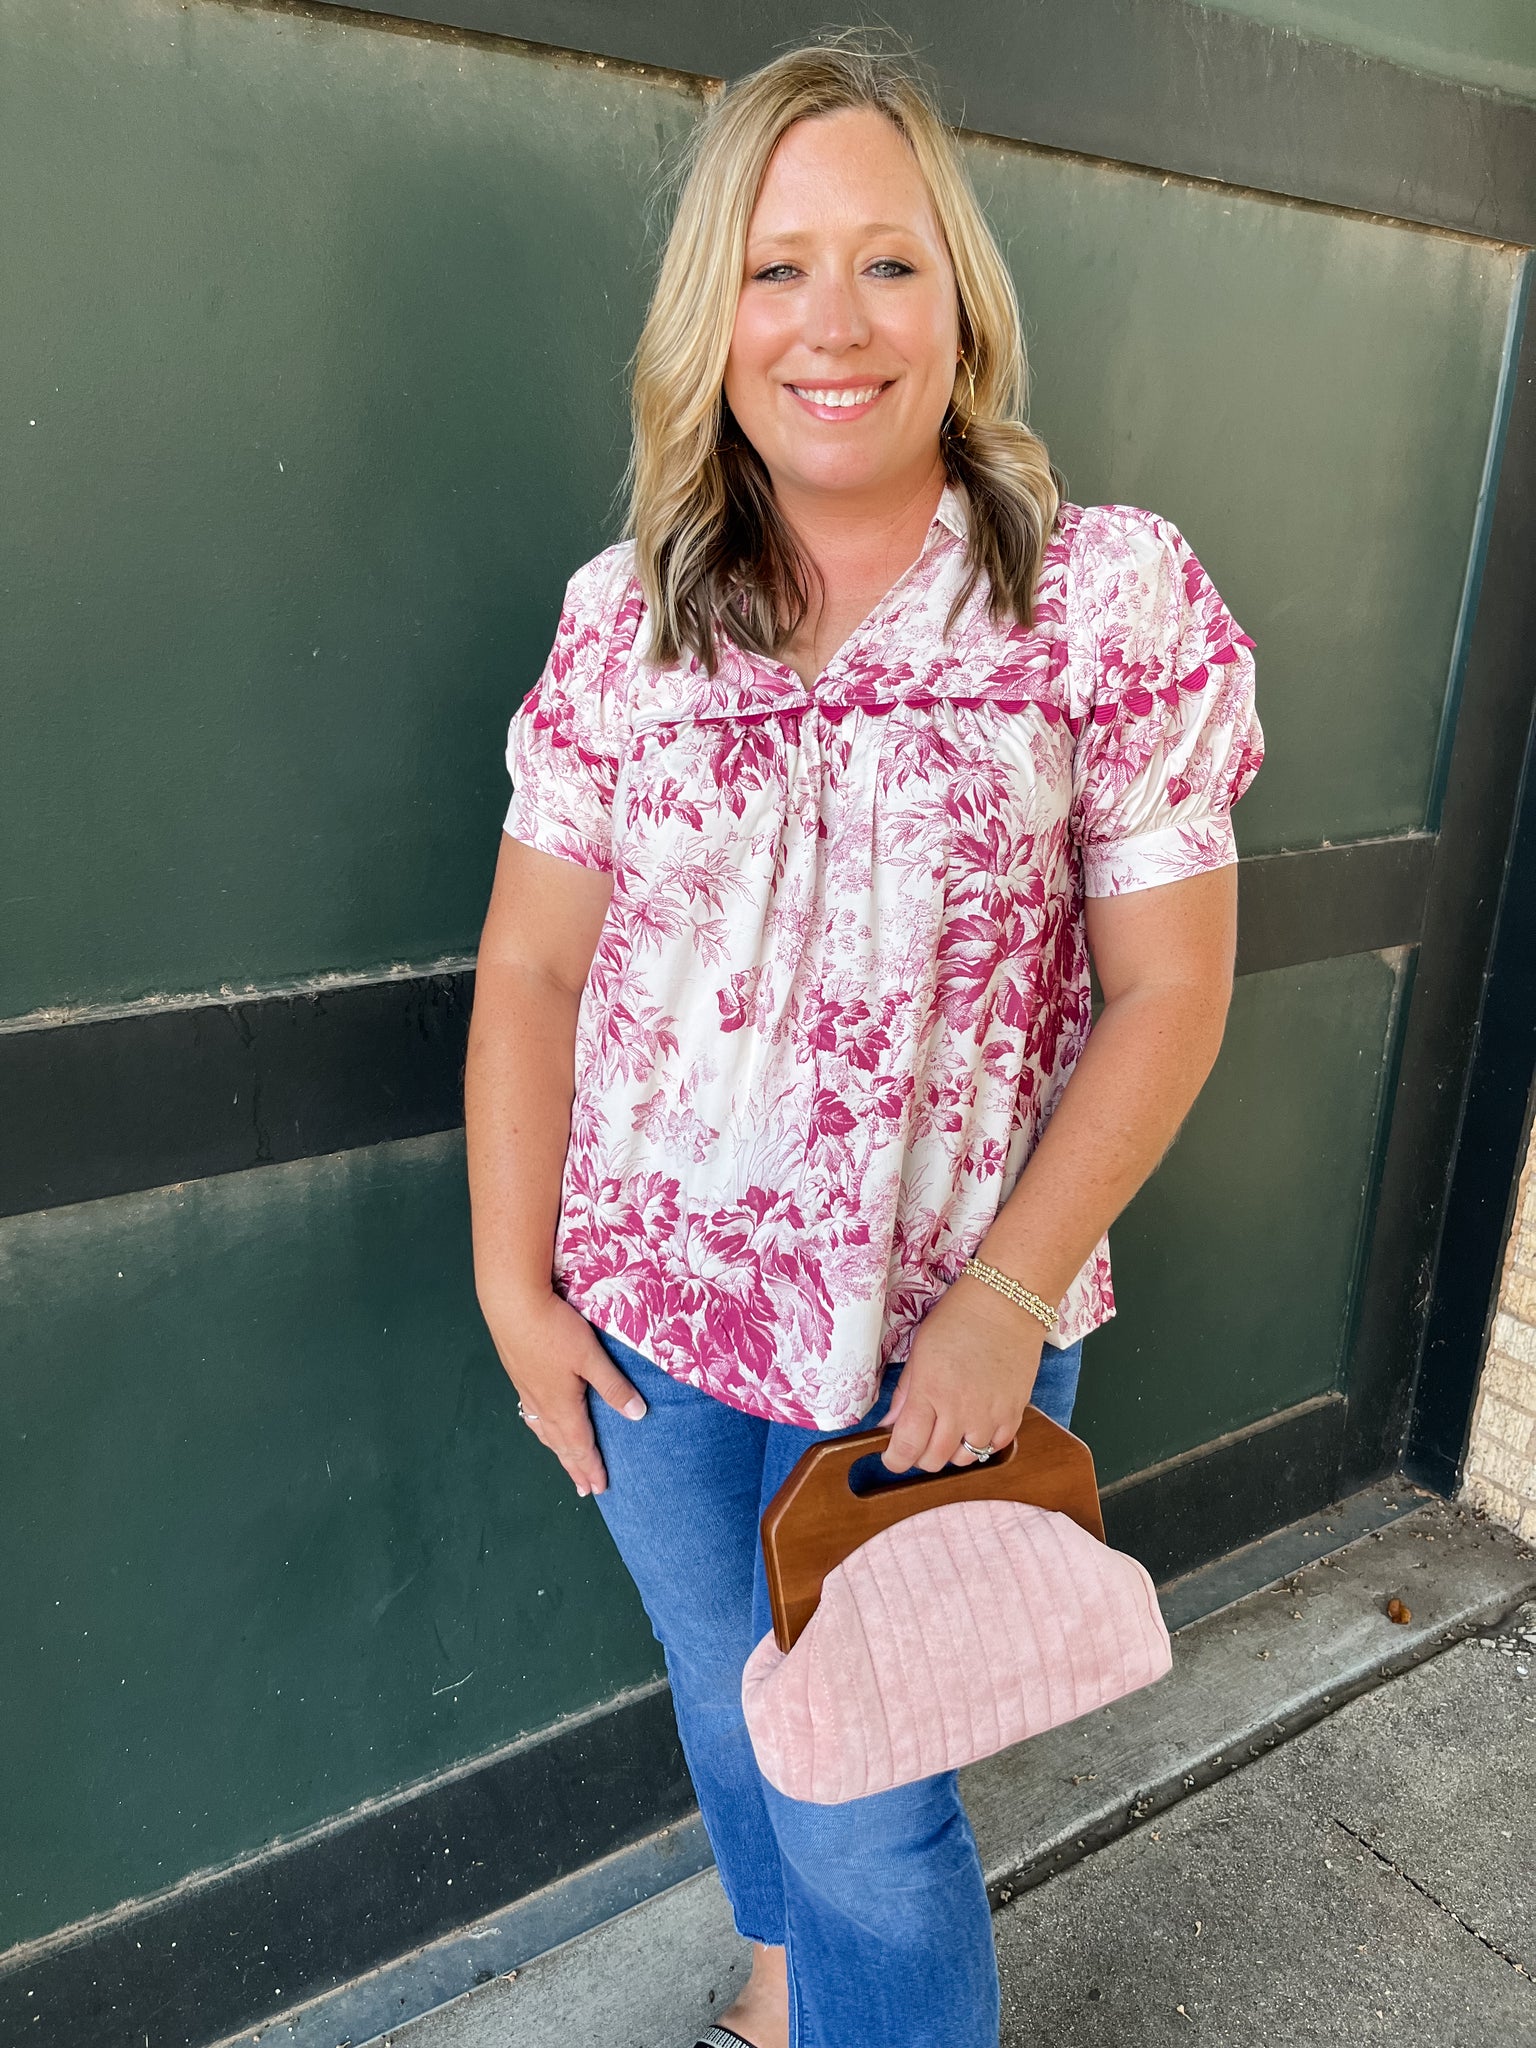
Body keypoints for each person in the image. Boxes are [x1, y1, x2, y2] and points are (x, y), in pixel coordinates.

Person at [464, 37, 1262, 2048]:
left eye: (887, 265)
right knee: (740, 1700)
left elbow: (1172, 986)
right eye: (776, 266)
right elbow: (535, 969)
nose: (833, 324)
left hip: (936, 1336)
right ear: (711, 316)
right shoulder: (621, 624)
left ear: (961, 302)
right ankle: (774, 1985)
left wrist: (1003, 1301)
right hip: (646, 1329)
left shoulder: (1102, 602)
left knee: (872, 1809)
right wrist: (509, 1278)